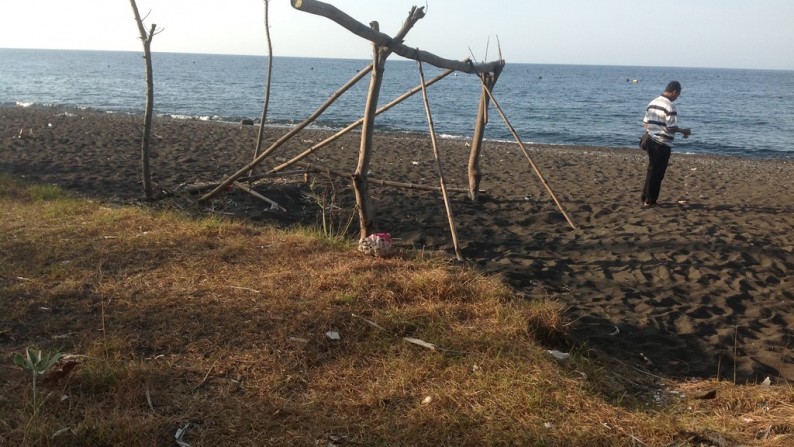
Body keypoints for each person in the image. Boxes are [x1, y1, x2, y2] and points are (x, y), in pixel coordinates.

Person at [640, 81, 692, 207]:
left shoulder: (652, 102)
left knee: (652, 169)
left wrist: (652, 131)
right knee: (658, 173)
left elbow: (645, 123)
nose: (677, 98)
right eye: (677, 95)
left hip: (651, 140)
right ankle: (650, 200)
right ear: (674, 92)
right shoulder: (670, 106)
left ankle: (645, 197)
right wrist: (683, 131)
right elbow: (671, 127)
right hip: (662, 143)